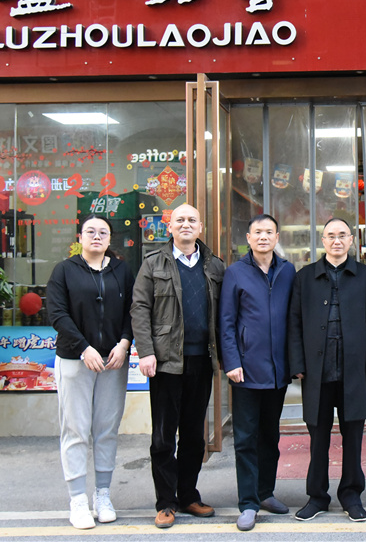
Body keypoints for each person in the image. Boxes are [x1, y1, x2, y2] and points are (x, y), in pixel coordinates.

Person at [131, 203, 225, 529]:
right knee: (163, 436)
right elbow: (139, 308)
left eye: (191, 220)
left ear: (200, 228)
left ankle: (188, 495)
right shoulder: (153, 263)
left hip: (202, 361)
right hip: (166, 362)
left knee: (194, 437)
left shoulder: (215, 266)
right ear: (169, 227)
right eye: (179, 220)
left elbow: (224, 313)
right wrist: (145, 352)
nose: (186, 224)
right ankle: (165, 502)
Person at [288, 218, 366, 523]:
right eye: (331, 235)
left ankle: (352, 495)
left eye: (342, 235)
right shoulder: (305, 277)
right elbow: (294, 323)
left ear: (351, 240)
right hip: (316, 372)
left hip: (353, 370)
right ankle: (317, 496)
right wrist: (297, 364)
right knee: (318, 439)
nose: (337, 241)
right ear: (323, 240)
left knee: (353, 437)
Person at [47, 215, 135, 530]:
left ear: (110, 239)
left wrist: (124, 344)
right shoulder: (64, 270)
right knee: (75, 429)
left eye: (103, 232)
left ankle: (103, 495)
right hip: (75, 360)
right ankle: (77, 500)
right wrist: (84, 348)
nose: (96, 236)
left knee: (106, 429)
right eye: (90, 231)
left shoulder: (122, 271)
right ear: (80, 237)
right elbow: (57, 314)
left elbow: (133, 311)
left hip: (113, 361)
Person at [220, 214, 297, 531]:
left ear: (277, 237)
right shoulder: (235, 272)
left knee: (270, 436)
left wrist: (295, 363)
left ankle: (266, 492)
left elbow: (294, 318)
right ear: (248, 238)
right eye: (257, 232)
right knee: (245, 439)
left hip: (278, 370)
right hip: (246, 370)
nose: (263, 237)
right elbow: (226, 322)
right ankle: (248, 503)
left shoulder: (288, 271)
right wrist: (231, 362)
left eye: (269, 232)